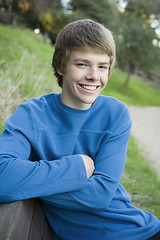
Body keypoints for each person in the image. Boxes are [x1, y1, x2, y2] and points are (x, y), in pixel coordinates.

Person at [0, 19, 160, 240]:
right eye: (82, 64)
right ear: (60, 66)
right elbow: (2, 175)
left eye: (102, 66)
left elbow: (100, 194)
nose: (94, 75)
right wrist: (75, 168)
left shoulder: (115, 114)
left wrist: (33, 184)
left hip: (136, 231)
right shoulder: (32, 114)